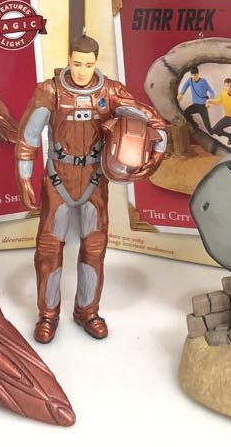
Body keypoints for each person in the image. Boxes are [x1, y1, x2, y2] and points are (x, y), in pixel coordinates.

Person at [14, 35, 168, 344]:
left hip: (94, 179)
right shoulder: (50, 91)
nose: (82, 71)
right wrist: (24, 177)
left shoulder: (110, 91)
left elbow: (151, 121)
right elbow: (29, 136)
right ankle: (48, 314)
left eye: (88, 64)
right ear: (68, 60)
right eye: (76, 64)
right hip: (58, 178)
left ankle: (87, 311)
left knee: (95, 249)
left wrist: (157, 152)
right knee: (49, 249)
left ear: (96, 62)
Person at [178, 66, 215, 134]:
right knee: (185, 113)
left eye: (195, 75)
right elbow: (185, 87)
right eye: (192, 75)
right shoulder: (190, 80)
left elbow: (212, 92)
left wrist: (209, 101)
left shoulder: (203, 81)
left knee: (208, 128)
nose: (194, 77)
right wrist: (181, 94)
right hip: (195, 105)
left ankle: (215, 132)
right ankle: (195, 125)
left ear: (198, 74)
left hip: (203, 106)